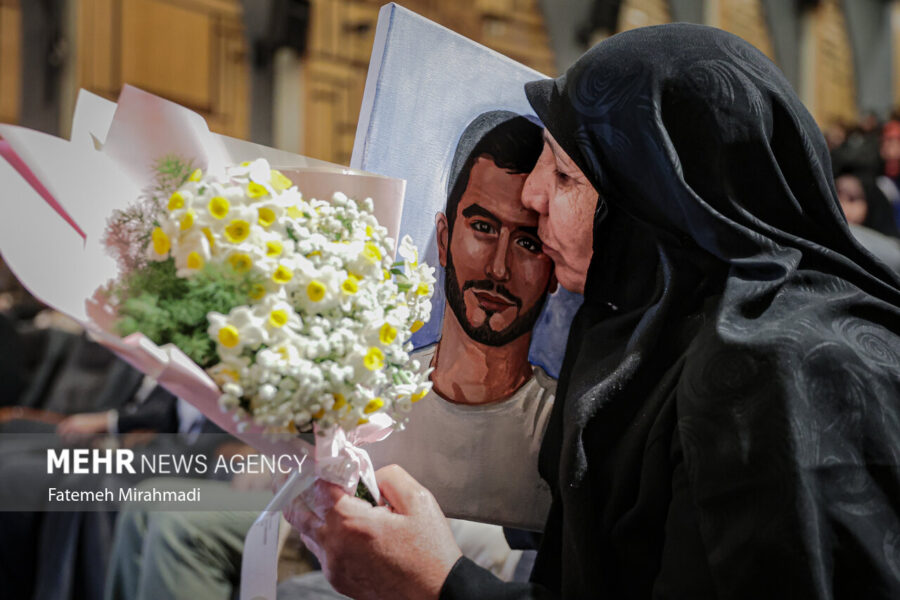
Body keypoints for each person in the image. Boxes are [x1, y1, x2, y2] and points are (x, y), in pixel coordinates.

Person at [286, 24, 900, 599]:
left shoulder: (773, 378)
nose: (533, 196)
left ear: (656, 201)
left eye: (564, 174)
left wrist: (440, 584)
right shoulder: (648, 324)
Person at [366, 110, 556, 529]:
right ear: (444, 237)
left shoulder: (561, 431)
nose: (499, 268)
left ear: (555, 268)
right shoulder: (371, 398)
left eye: (528, 243)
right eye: (483, 227)